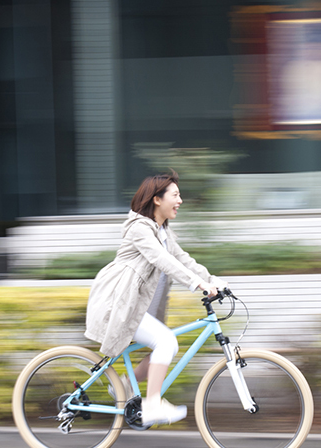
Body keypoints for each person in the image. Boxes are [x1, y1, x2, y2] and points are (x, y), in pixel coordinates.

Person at [84, 172, 226, 426]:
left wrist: (212, 279)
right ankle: (152, 405)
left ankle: (126, 384)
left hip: (138, 307)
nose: (180, 200)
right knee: (166, 341)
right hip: (121, 304)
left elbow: (183, 260)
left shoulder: (163, 232)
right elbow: (162, 260)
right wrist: (198, 284)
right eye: (175, 195)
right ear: (157, 199)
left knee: (163, 347)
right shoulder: (139, 228)